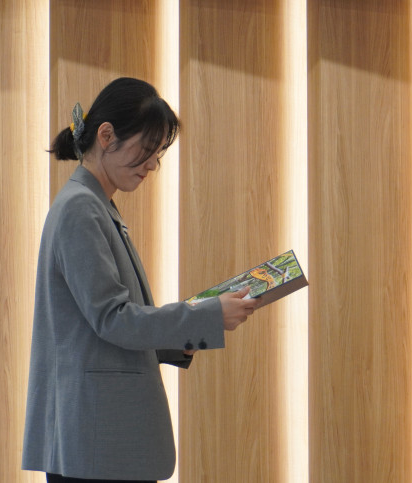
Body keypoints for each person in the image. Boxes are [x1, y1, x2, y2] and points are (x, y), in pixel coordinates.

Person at [21, 77, 260, 483]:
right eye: (147, 150)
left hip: (98, 442)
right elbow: (113, 318)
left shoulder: (95, 205)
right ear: (106, 136)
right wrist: (206, 316)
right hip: (96, 442)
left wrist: (186, 335)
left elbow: (103, 324)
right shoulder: (82, 208)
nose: (152, 165)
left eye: (157, 154)